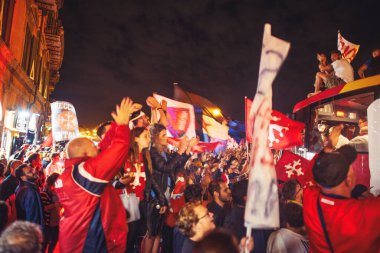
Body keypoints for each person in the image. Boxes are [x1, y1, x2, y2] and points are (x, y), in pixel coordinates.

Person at [55, 97, 138, 253]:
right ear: (85, 153)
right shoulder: (86, 172)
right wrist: (122, 124)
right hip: (90, 241)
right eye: (93, 145)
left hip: (76, 238)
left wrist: (117, 124)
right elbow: (118, 148)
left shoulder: (71, 172)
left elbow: (103, 147)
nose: (97, 146)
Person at [303, 145, 380, 252]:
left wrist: (326, 154)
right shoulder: (369, 212)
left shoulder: (310, 200)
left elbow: (309, 176)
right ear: (349, 180)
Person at [142, 123, 196, 253]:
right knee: (151, 232)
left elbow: (175, 166)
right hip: (156, 197)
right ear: (155, 137)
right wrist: (180, 150)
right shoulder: (152, 152)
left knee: (158, 231)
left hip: (165, 195)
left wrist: (187, 149)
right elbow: (166, 167)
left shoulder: (164, 151)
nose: (167, 137)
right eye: (163, 135)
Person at [113, 127, 149, 253]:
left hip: (143, 199)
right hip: (129, 199)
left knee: (138, 233)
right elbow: (113, 179)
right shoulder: (125, 156)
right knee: (130, 233)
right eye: (145, 136)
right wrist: (120, 183)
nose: (148, 138)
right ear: (135, 138)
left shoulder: (147, 156)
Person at [40, 173, 61, 253]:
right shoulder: (44, 193)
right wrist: (56, 204)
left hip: (56, 220)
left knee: (55, 239)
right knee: (45, 242)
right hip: (48, 223)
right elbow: (44, 208)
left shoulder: (56, 191)